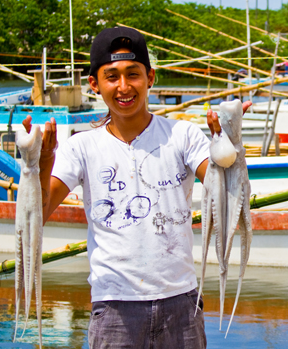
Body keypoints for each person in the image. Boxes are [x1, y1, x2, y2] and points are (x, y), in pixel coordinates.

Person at [22, 26, 251, 348]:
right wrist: (40, 161)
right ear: (94, 84)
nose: (124, 86)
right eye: (112, 76)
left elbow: (226, 190)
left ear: (150, 78)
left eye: (134, 74)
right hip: (113, 305)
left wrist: (231, 142)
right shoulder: (81, 146)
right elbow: (39, 213)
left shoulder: (183, 135)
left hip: (181, 301)